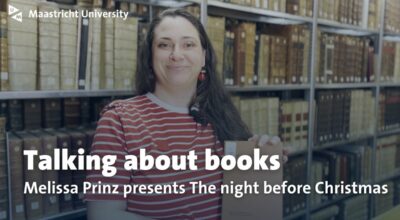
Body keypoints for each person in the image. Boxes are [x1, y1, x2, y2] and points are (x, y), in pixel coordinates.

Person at [86, 8, 286, 220]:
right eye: (164, 45)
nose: (176, 55)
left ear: (203, 57)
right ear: (150, 57)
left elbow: (246, 206)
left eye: (188, 44)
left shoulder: (222, 115)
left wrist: (261, 167)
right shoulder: (119, 119)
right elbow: (103, 214)